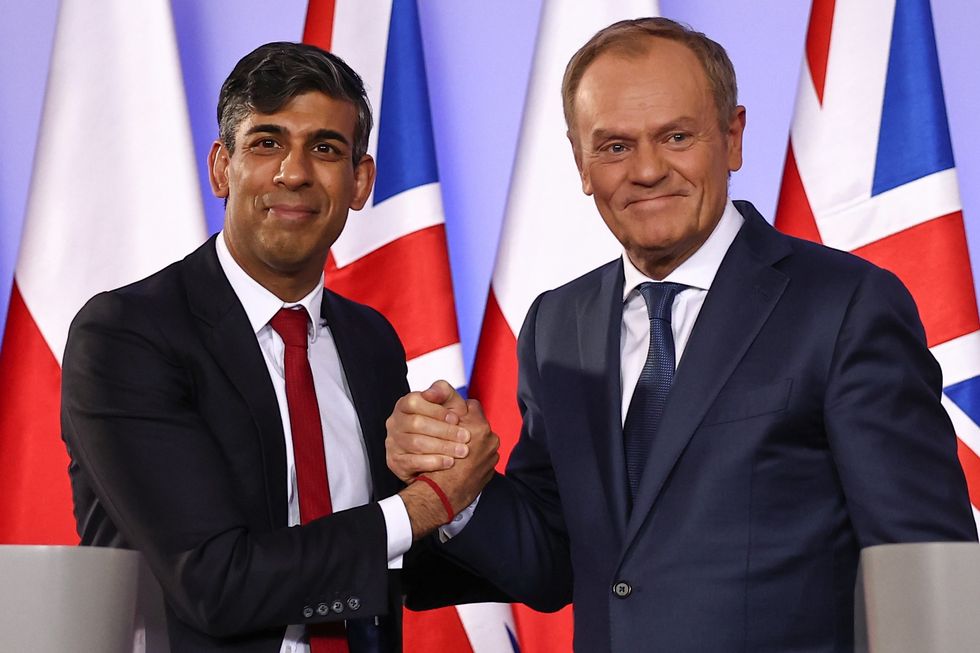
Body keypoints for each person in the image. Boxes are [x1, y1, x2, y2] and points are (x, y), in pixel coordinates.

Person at [386, 18, 978, 652]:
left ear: (732, 137)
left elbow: (919, 555)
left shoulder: (845, 306)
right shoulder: (558, 324)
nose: (646, 170)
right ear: (581, 161)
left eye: (675, 136)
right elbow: (557, 557)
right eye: (613, 146)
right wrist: (457, 481)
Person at [61, 42, 496, 653]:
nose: (293, 172)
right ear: (221, 167)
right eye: (266, 143)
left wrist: (454, 477)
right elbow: (216, 585)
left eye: (325, 148)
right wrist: (426, 504)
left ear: (360, 181)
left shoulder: (371, 340)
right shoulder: (127, 334)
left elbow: (385, 562)